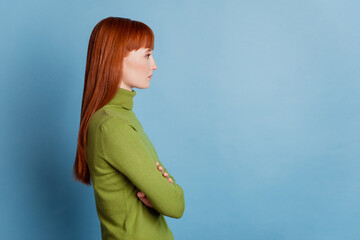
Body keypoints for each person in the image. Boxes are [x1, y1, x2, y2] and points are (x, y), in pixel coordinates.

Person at [73, 16, 185, 240]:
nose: (154, 64)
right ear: (116, 58)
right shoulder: (112, 125)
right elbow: (175, 204)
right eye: (147, 54)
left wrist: (162, 192)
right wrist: (165, 190)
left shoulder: (120, 116)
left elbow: (168, 200)